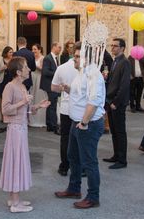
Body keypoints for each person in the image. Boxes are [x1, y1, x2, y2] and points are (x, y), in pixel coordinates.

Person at [54, 45, 105, 209]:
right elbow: (80, 95)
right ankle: (74, 189)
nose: (73, 59)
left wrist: (83, 122)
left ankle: (93, 197)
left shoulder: (93, 75)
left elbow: (94, 102)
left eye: (77, 56)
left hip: (87, 125)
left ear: (86, 58)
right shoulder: (80, 73)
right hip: (76, 123)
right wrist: (67, 88)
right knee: (73, 156)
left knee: (89, 162)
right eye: (74, 56)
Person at [0, 56, 49, 213]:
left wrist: (37, 106)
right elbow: (5, 109)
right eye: (26, 67)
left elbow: (25, 110)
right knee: (16, 162)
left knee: (17, 161)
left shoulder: (21, 86)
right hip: (15, 129)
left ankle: (13, 199)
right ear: (19, 72)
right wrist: (23, 101)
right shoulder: (10, 86)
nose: (29, 69)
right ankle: (15, 203)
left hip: (21, 128)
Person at [51, 45, 80, 177]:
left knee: (65, 138)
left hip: (66, 107)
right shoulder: (84, 69)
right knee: (80, 138)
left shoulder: (61, 68)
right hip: (80, 108)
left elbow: (53, 87)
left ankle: (64, 166)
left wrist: (63, 89)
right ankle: (81, 167)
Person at [103, 38, 131, 170]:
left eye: (115, 46)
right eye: (112, 45)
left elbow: (124, 85)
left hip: (117, 102)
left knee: (120, 131)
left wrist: (116, 102)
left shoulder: (125, 62)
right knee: (114, 130)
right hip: (110, 100)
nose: (112, 48)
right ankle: (116, 154)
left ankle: (122, 159)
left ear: (122, 48)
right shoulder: (115, 61)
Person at [40, 42, 62, 132]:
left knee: (51, 105)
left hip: (53, 84)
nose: (60, 49)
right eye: (59, 47)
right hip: (49, 85)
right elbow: (45, 72)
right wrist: (58, 74)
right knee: (52, 105)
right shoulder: (48, 58)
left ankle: (49, 124)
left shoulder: (56, 58)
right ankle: (53, 125)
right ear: (53, 47)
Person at [29, 43, 49, 129]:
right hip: (33, 78)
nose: (33, 51)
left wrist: (35, 66)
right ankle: (32, 118)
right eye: (32, 49)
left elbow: (43, 69)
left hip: (39, 78)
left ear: (39, 50)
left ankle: (40, 120)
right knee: (32, 97)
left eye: (35, 49)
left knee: (39, 97)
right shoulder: (32, 58)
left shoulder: (42, 58)